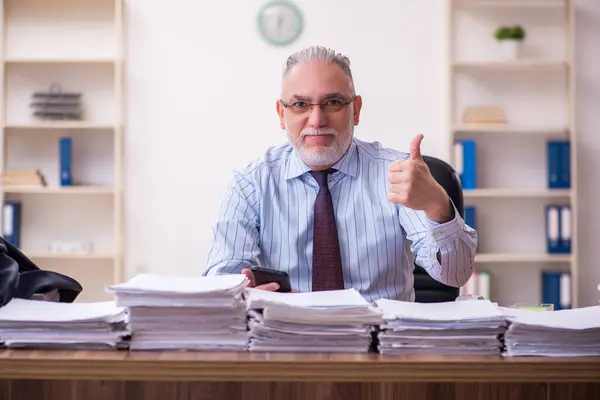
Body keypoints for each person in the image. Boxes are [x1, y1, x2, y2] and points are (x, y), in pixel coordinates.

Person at [202, 45, 478, 302]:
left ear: (356, 110)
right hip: (284, 337)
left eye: (332, 102)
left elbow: (455, 275)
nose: (317, 119)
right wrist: (241, 291)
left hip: (380, 343)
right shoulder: (249, 183)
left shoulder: (399, 173)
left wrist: (437, 207)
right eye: (300, 105)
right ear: (281, 113)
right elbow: (222, 282)